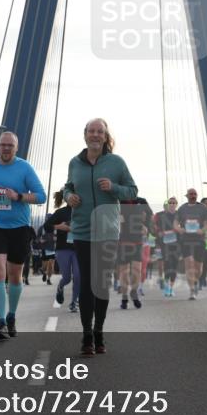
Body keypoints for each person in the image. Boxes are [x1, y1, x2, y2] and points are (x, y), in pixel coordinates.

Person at [64, 118, 137, 355]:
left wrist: (114, 188)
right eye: (91, 131)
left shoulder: (116, 163)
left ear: (105, 137)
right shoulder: (75, 163)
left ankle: (99, 331)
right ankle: (87, 335)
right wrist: (68, 197)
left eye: (100, 132)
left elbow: (132, 191)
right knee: (86, 282)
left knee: (101, 284)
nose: (95, 135)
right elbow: (68, 187)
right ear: (85, 135)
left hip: (107, 232)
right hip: (82, 230)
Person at [0, 131, 46, 340]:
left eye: (10, 145)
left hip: (19, 228)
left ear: (16, 148)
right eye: (3, 145)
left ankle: (12, 315)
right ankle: (1, 322)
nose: (6, 148)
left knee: (15, 275)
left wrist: (18, 196)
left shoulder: (25, 168)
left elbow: (41, 196)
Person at [175, 188, 207, 300]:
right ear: (187, 196)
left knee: (198, 267)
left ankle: (195, 282)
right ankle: (192, 290)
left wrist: (203, 230)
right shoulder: (182, 208)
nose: (193, 196)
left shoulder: (203, 208)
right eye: (191, 194)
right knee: (189, 264)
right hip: (186, 240)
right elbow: (175, 223)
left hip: (199, 240)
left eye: (195, 194)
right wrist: (179, 229)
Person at [45, 189, 80, 312]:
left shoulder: (84, 211)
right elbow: (46, 226)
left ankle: (74, 303)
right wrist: (59, 226)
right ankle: (61, 286)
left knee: (78, 276)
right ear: (67, 198)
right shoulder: (61, 212)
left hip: (79, 249)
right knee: (67, 278)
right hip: (63, 249)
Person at [116, 197, 152, 309]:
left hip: (137, 242)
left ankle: (134, 291)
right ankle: (124, 297)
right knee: (124, 272)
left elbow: (150, 215)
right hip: (122, 242)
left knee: (137, 270)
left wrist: (146, 226)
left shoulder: (142, 201)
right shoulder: (118, 201)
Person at [155, 197, 180, 297]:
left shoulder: (180, 215)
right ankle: (166, 287)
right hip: (165, 244)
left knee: (174, 266)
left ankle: (171, 288)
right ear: (168, 204)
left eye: (174, 203)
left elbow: (184, 227)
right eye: (170, 203)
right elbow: (156, 228)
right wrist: (160, 233)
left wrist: (179, 230)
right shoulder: (162, 216)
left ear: (176, 204)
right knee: (168, 264)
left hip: (177, 244)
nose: (172, 204)